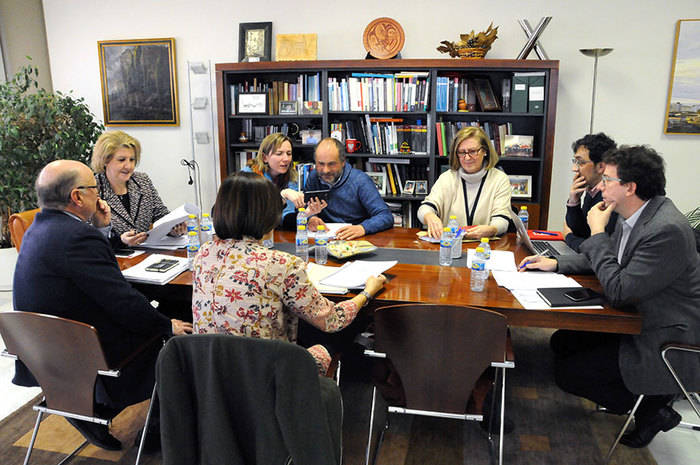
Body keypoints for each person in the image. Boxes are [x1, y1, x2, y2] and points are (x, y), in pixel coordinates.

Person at [519, 146, 700, 448]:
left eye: (608, 180)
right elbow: (611, 259)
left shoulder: (665, 230)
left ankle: (651, 408)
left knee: (568, 374)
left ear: (630, 187)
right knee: (563, 341)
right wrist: (556, 263)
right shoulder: (639, 214)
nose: (600, 186)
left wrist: (598, 232)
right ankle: (649, 406)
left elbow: (618, 290)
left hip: (665, 334)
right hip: (637, 315)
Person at [12, 160, 192, 451]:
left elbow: (90, 279)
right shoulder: (76, 238)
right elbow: (120, 301)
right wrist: (166, 325)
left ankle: (85, 408)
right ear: (77, 197)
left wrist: (101, 229)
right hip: (91, 357)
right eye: (95, 190)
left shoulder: (38, 229)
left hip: (45, 353)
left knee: (157, 309)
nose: (100, 197)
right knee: (178, 325)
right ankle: (155, 434)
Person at [192, 172, 386, 373]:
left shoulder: (203, 253)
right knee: (335, 337)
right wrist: (367, 293)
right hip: (268, 378)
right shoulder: (280, 264)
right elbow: (332, 320)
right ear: (267, 215)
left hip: (211, 375)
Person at [91, 130, 186, 247]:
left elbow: (160, 214)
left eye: (132, 160)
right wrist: (120, 241)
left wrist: (173, 228)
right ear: (105, 160)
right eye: (121, 160)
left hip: (145, 255)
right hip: (112, 257)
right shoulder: (93, 188)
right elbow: (89, 235)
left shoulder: (142, 181)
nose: (129, 166)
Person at [418, 126, 512, 239]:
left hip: (484, 245)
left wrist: (492, 229)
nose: (467, 158)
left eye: (472, 151)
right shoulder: (447, 178)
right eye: (462, 152)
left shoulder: (499, 179)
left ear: (485, 151)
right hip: (450, 246)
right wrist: (429, 216)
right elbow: (424, 208)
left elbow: (502, 219)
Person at [304, 137, 394, 240]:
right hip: (324, 239)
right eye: (321, 164)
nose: (325, 170)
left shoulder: (360, 181)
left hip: (355, 240)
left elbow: (385, 215)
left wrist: (363, 228)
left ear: (343, 162)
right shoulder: (313, 176)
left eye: (331, 164)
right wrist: (311, 218)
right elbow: (303, 208)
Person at [243, 132, 326, 229]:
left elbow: (284, 220)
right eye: (279, 154)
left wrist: (309, 214)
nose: (286, 159)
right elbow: (258, 214)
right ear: (265, 157)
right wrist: (282, 195)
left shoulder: (291, 178)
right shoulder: (249, 176)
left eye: (289, 153)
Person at [564, 132, 618, 251]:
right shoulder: (592, 191)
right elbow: (583, 232)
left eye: (581, 162)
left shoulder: (609, 198)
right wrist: (574, 201)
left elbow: (596, 250)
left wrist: (568, 237)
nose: (575, 169)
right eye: (575, 161)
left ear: (600, 167)